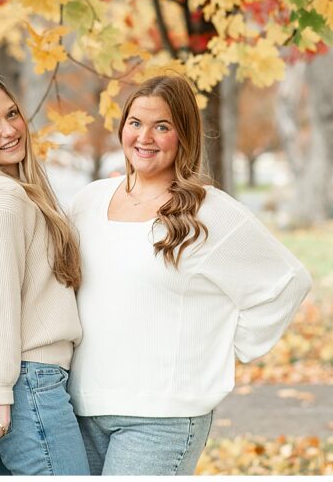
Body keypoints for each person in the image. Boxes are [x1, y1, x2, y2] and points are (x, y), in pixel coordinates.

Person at [67, 73, 312, 475]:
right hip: (82, 406)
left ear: (183, 135)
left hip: (161, 417)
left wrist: (223, 348)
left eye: (162, 126)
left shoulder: (208, 212)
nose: (144, 137)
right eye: (135, 123)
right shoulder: (87, 202)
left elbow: (286, 282)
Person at [0, 73, 90, 475]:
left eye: (12, 114)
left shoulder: (16, 193)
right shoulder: (2, 201)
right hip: (29, 387)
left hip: (29, 386)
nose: (9, 130)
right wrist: (1, 399)